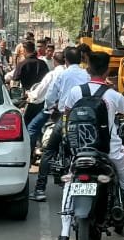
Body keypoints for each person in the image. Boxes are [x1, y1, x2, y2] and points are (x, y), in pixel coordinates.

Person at [54, 52, 124, 240]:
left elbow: (66, 112)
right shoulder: (113, 95)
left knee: (70, 184)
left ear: (87, 69)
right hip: (111, 152)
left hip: (81, 151)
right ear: (107, 70)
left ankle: (64, 235)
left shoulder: (76, 92)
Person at [29, 47, 89, 201]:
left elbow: (50, 97)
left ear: (66, 60)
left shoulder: (62, 75)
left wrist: (49, 107)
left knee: (49, 150)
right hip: (87, 120)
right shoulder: (87, 75)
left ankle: (40, 190)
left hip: (66, 118)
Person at [7, 41, 50, 122]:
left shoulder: (22, 64)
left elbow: (15, 79)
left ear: (25, 51)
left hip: (27, 98)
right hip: (42, 99)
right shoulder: (42, 63)